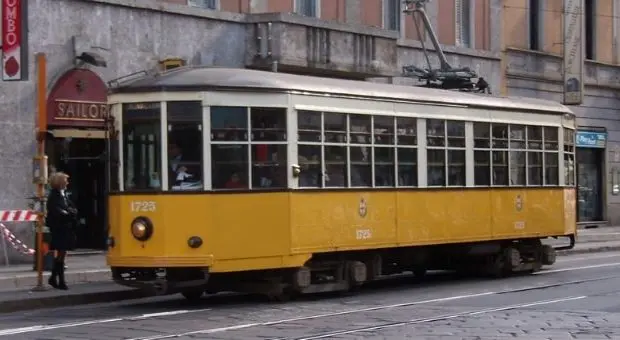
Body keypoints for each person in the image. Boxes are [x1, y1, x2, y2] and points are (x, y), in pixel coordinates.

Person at [46, 172, 78, 290]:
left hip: (66, 228)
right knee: (61, 254)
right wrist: (68, 213)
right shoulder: (54, 196)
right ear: (60, 182)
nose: (67, 183)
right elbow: (58, 211)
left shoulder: (63, 195)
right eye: (65, 181)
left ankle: (54, 279)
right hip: (59, 229)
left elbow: (72, 208)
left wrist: (70, 212)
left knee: (62, 255)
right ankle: (60, 281)